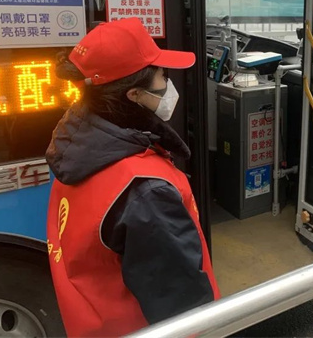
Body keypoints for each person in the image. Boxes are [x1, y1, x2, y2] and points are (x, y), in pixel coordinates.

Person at [45, 18, 220, 337]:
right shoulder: (145, 192)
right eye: (163, 76)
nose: (169, 85)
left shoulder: (76, 147)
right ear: (135, 94)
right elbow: (184, 311)